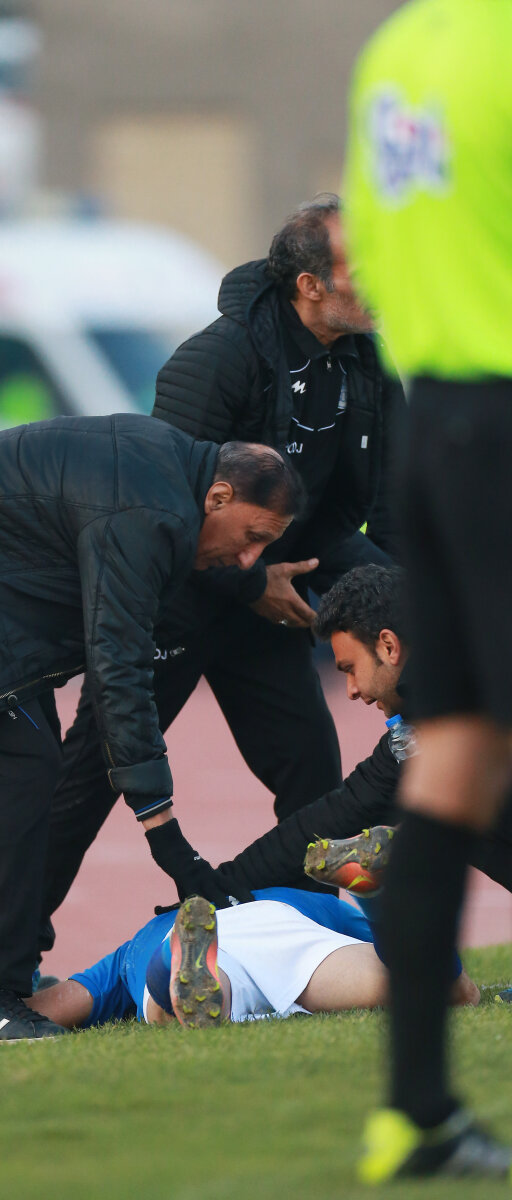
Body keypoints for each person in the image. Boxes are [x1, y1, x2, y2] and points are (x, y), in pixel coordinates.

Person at [0, 417, 303, 1046]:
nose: (250, 559)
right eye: (254, 537)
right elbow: (118, 664)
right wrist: (163, 829)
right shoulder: (151, 511)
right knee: (16, 769)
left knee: (26, 768)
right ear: (220, 497)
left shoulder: (168, 479)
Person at [41, 195, 406, 949]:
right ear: (310, 285)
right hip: (176, 602)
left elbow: (362, 513)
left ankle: (308, 947)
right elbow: (159, 509)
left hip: (265, 605)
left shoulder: (367, 362)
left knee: (312, 774)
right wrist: (250, 582)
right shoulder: (216, 359)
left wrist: (405, 599)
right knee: (88, 783)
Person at [343, 0, 512, 1180]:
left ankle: (413, 1112)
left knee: (447, 763)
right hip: (503, 418)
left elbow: (370, 241)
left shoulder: (397, 50)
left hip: (430, 426)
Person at [146, 564, 512, 905]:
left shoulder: (479, 681)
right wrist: (219, 887)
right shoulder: (417, 731)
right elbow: (327, 819)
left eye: (350, 669)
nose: (351, 690)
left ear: (388, 646)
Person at [22, 891, 478, 1035]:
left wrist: (23, 992)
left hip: (167, 940)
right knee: (449, 991)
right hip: (284, 922)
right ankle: (382, 892)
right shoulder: (303, 899)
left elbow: (42, 1010)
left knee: (172, 1010)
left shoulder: (131, 947)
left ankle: (171, 970)